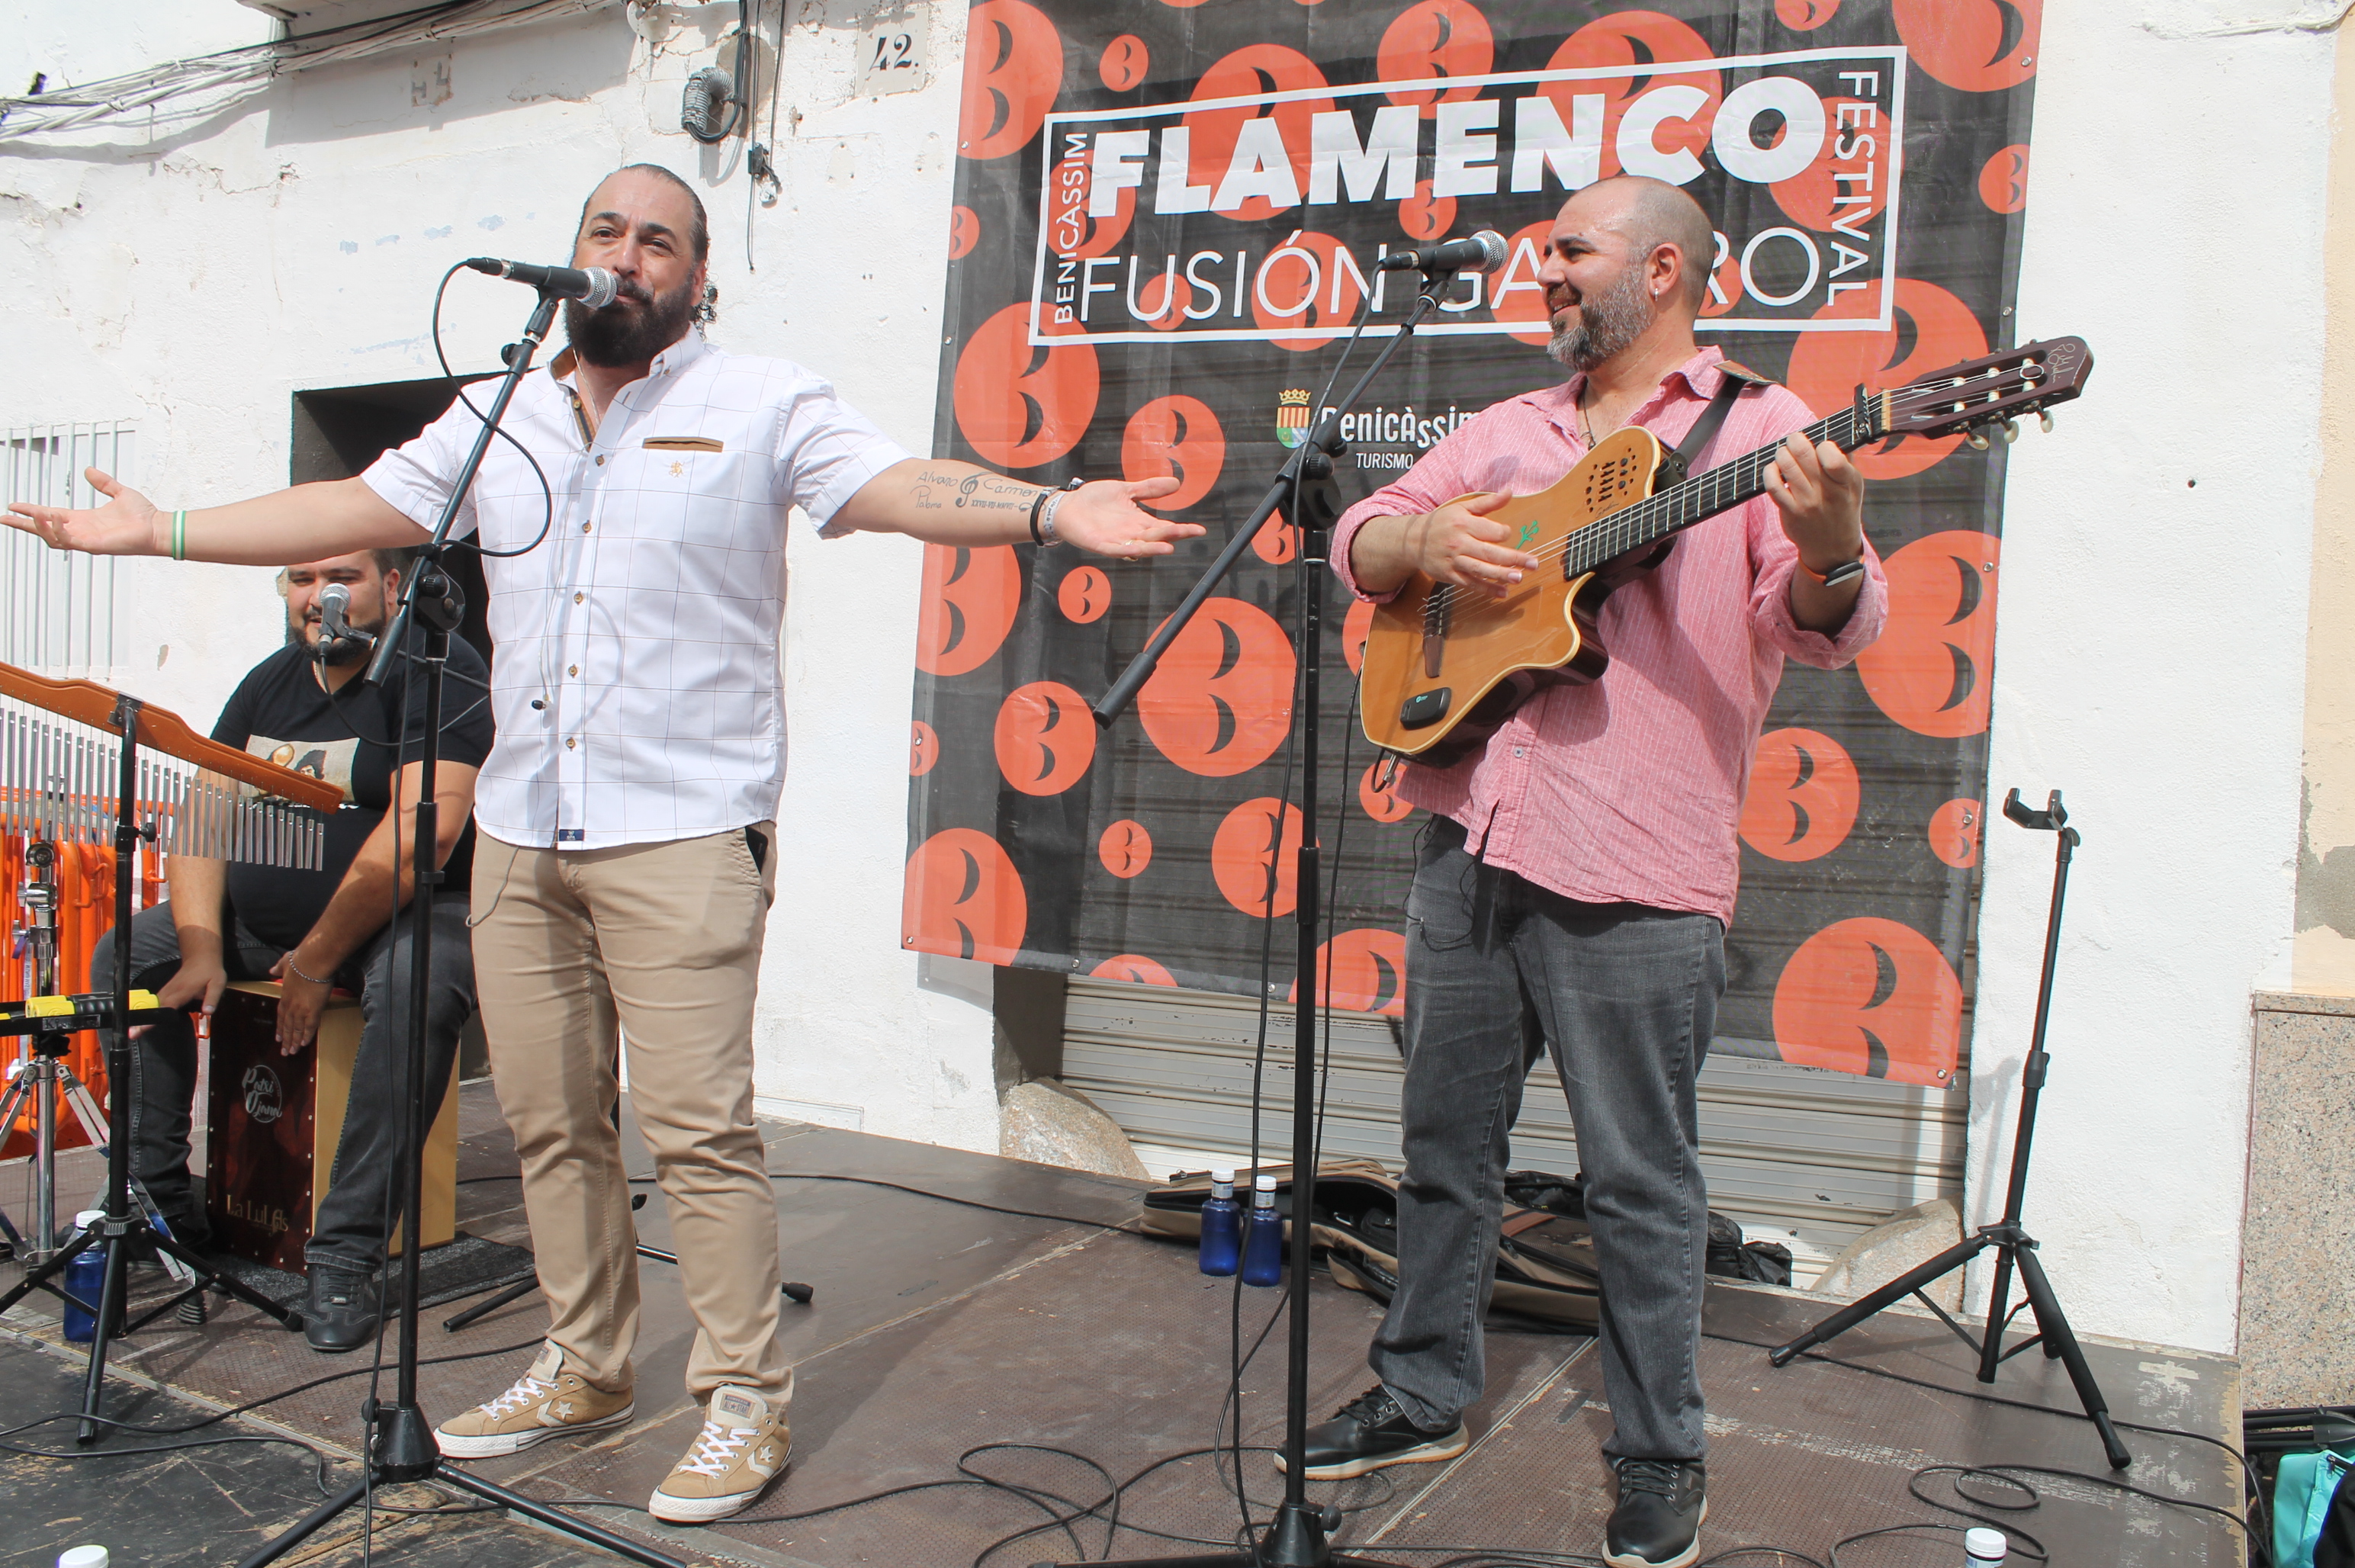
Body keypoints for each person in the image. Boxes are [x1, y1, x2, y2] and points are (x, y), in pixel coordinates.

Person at [8, 162, 1199, 1526]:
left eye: (658, 241)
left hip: (683, 830)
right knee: (551, 1121)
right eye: (604, 232)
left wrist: (1050, 508)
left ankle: (744, 1400)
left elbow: (890, 486)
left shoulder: (759, 402)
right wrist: (151, 532)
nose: (626, 256)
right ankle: (585, 1363)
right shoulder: (499, 411)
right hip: (519, 831)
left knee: (696, 1132)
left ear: (698, 278)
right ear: (570, 254)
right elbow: (350, 508)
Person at [1298, 175, 1888, 1568]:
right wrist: (1417, 539)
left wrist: (1825, 544)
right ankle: (1423, 1387)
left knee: (1639, 1184)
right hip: (1470, 838)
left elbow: (1820, 625)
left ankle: (1659, 1453)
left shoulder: (1762, 428)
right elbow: (1355, 538)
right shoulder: (1506, 429)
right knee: (1444, 1150)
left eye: (1571, 250)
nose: (1543, 270)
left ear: (1665, 269)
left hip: (1638, 862)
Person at [92, 548, 488, 1354]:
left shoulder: (437, 669)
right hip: (264, 926)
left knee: (420, 985)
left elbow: (425, 836)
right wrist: (202, 943)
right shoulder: (271, 679)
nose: (320, 596)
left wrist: (313, 959)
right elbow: (206, 806)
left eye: (340, 575)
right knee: (131, 953)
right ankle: (162, 1204)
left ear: (391, 582)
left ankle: (343, 1251)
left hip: (400, 920)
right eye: (301, 579)